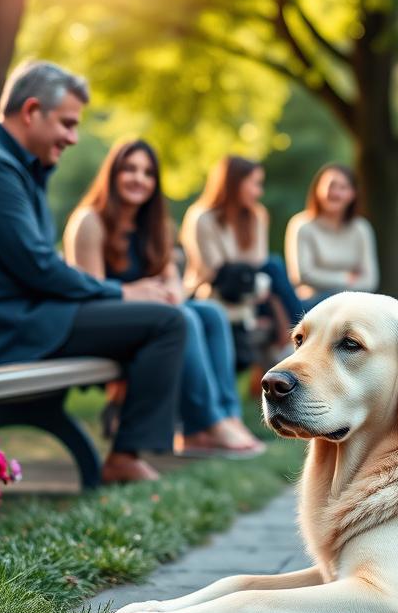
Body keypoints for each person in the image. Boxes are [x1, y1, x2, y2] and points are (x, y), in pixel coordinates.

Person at [0, 61, 186, 483]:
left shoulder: (13, 167)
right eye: (67, 124)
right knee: (166, 322)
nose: (73, 137)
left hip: (26, 317)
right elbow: (40, 267)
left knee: (167, 318)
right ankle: (125, 455)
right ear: (32, 111)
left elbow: (36, 266)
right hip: (6, 328)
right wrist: (122, 294)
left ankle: (134, 445)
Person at [63, 138, 264, 456]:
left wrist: (170, 291)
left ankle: (227, 415)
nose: (138, 178)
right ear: (112, 175)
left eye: (147, 173)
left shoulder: (156, 226)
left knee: (209, 313)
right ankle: (206, 423)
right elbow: (90, 294)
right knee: (183, 317)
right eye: (129, 169)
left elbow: (174, 281)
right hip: (109, 323)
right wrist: (144, 295)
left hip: (156, 317)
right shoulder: (90, 221)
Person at [180, 155, 304, 329]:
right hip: (213, 289)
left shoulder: (257, 216)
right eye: (255, 184)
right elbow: (215, 270)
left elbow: (258, 260)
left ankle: (297, 328)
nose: (259, 192)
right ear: (234, 184)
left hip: (250, 283)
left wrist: (249, 276)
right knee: (273, 267)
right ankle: (300, 326)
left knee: (272, 266)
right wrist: (249, 276)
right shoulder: (202, 217)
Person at [284, 163, 379, 310]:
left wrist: (337, 286)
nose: (335, 193)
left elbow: (370, 280)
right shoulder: (302, 225)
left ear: (353, 194)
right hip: (312, 304)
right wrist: (346, 277)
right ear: (317, 189)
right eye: (331, 185)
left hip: (354, 303)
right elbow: (303, 275)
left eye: (343, 188)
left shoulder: (361, 228)